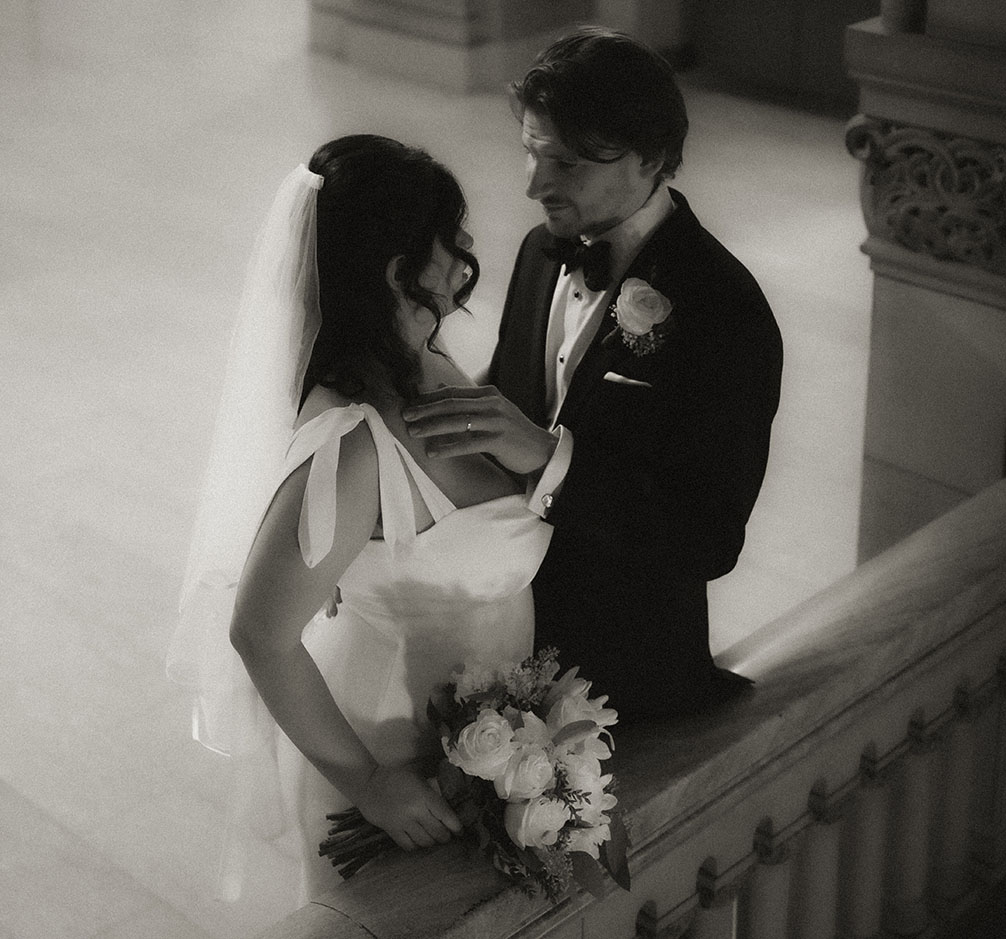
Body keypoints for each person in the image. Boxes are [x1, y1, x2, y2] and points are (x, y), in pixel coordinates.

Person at [168, 135, 553, 902]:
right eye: (451, 233)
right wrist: (371, 781)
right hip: (394, 750)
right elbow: (259, 632)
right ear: (394, 268)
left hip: (476, 738)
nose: (467, 248)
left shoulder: (427, 364)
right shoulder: (350, 444)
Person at [402, 27, 783, 722]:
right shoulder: (540, 251)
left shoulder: (725, 311)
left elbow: (708, 538)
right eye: (530, 151)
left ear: (655, 158)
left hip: (627, 679)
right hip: (501, 638)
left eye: (568, 164)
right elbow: (514, 398)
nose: (532, 185)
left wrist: (552, 462)